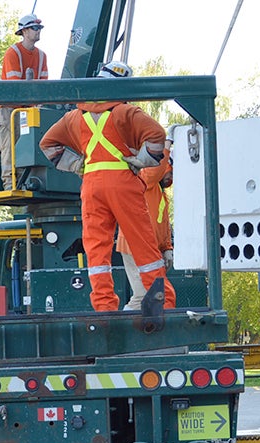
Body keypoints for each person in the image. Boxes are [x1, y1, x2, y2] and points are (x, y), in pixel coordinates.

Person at [39, 60, 176, 312]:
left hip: (91, 187)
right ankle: (163, 303)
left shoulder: (73, 117)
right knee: (142, 244)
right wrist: (140, 161)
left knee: (96, 249)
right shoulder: (126, 112)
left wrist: (77, 165)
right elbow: (157, 135)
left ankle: (104, 307)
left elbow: (47, 144)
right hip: (123, 184)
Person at [117, 138, 174, 309]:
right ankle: (122, 331)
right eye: (169, 171)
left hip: (146, 247)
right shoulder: (144, 179)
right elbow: (154, 171)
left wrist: (167, 249)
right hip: (134, 245)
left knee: (155, 294)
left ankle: (143, 331)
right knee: (143, 295)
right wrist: (167, 145)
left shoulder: (158, 193)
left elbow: (162, 226)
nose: (171, 176)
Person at [0, 14, 49, 190]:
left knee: (30, 144)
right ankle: (10, 183)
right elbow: (15, 88)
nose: (38, 31)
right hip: (9, 109)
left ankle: (27, 180)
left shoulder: (42, 56)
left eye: (39, 28)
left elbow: (43, 87)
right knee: (10, 145)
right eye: (34, 28)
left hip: (28, 109)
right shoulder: (13, 53)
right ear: (24, 31)